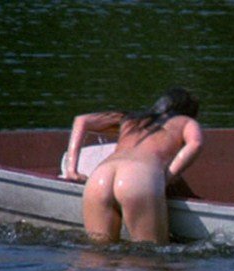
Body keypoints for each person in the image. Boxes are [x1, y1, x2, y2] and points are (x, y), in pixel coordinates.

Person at [63, 87, 203, 244]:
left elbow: (81, 120)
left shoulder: (131, 118)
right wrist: (167, 177)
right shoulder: (186, 122)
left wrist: (71, 170)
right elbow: (195, 144)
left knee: (98, 251)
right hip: (138, 177)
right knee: (150, 253)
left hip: (100, 176)